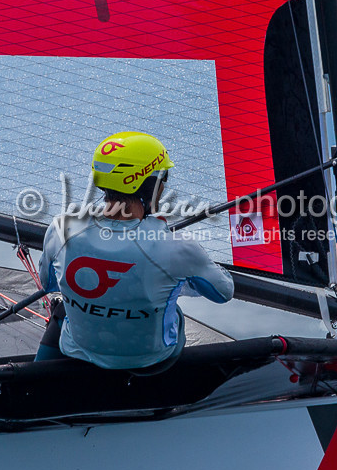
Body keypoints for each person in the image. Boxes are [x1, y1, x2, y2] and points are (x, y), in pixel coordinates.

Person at [35, 131, 234, 370]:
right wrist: (167, 281)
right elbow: (223, 292)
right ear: (150, 186)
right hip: (153, 360)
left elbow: (49, 284)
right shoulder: (177, 247)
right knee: (172, 308)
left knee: (60, 311)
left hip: (77, 350)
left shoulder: (61, 228)